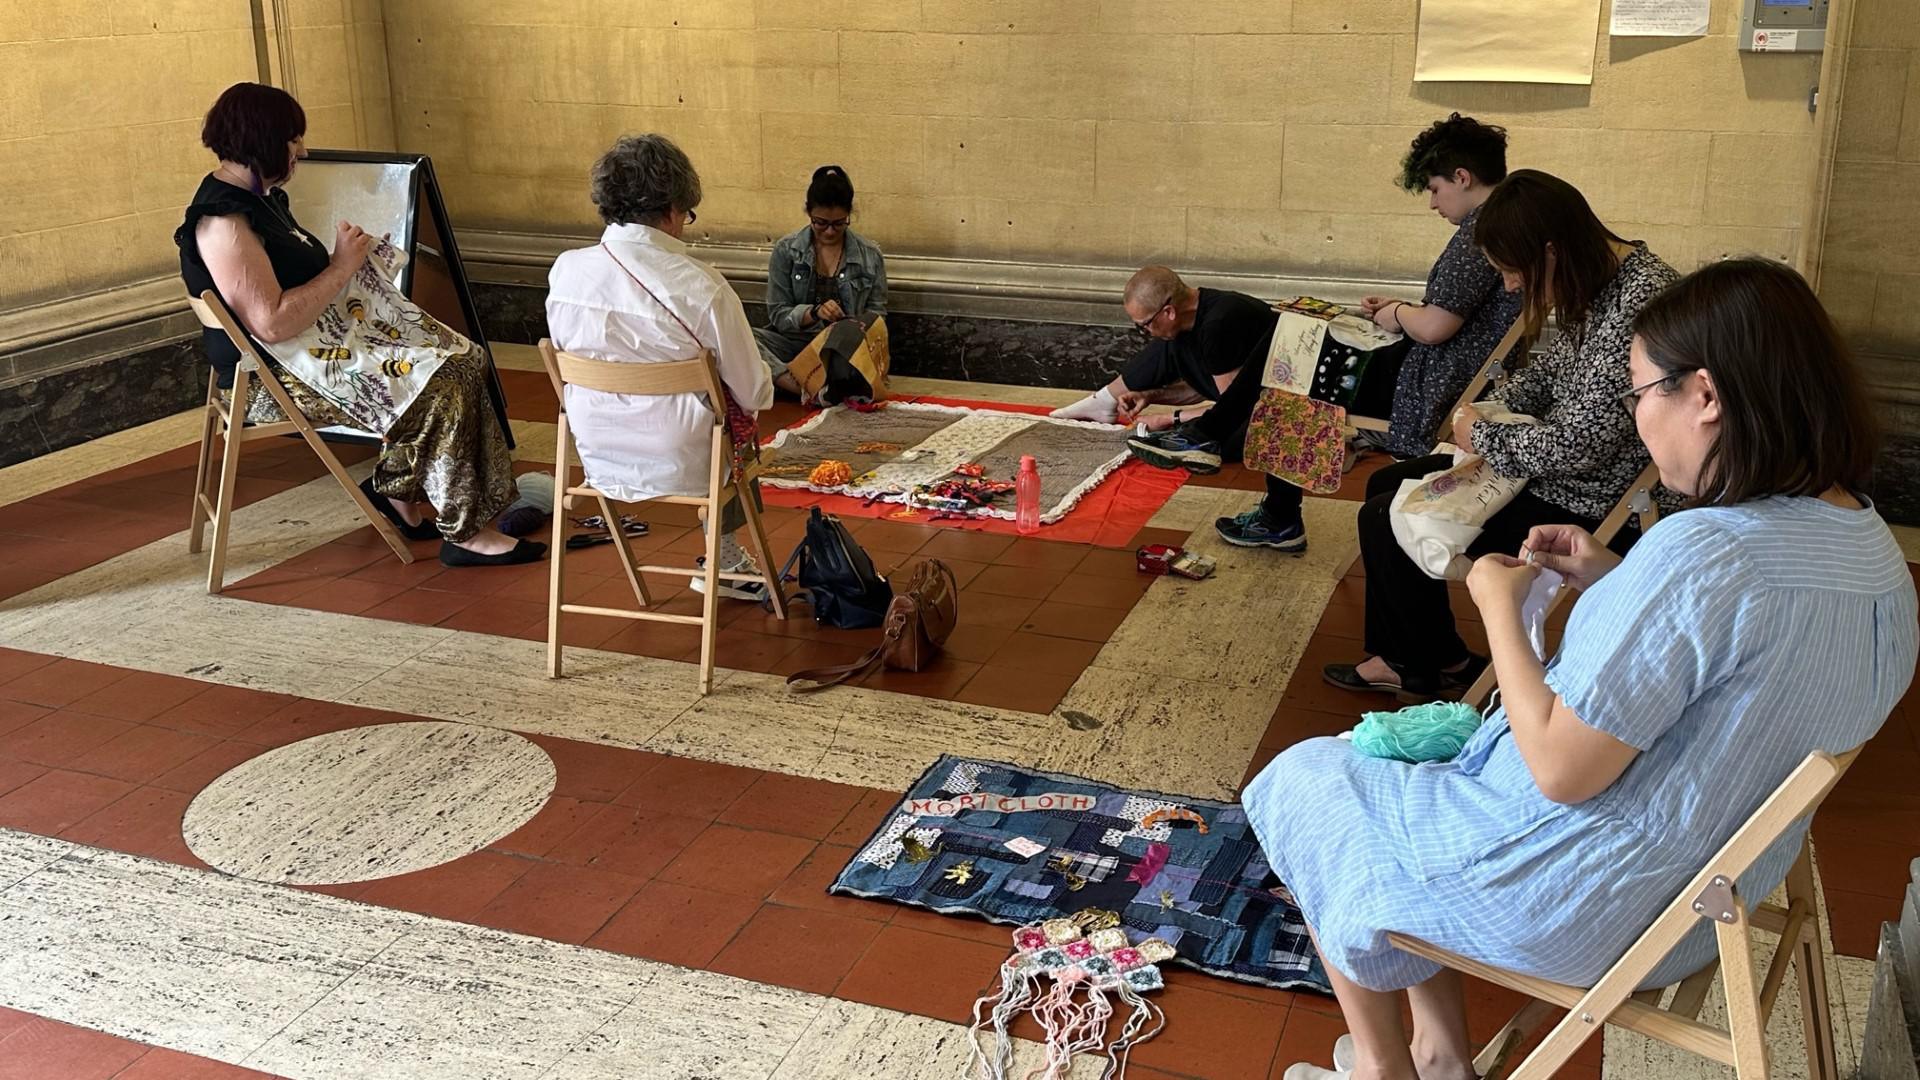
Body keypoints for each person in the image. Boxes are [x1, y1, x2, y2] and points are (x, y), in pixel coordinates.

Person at [1256, 257, 1918, 1080]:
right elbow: (1740, 663)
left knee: (1313, 778)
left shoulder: (1707, 551)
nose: (1638, 419)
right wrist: (1618, 580)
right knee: (1398, 771)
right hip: (1707, 896)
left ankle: (1392, 1070)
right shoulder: (1869, 546)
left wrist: (1495, 606)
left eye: (1642, 394)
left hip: (1587, 897)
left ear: (1705, 395)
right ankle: (1440, 1056)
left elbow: (1563, 771)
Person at [1323, 170, 1679, 700]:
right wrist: (1496, 406)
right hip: (1556, 469)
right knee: (1385, 487)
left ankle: (1414, 662)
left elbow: (1577, 447)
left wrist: (1482, 436)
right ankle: (1430, 656)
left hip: (1595, 500)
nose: (1511, 286)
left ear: (1551, 252)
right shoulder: (1605, 280)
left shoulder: (1640, 303)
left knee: (1385, 515)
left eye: (1513, 272)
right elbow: (1556, 370)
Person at [176, 82, 538, 567]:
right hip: (272, 379)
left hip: (314, 352)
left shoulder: (262, 199)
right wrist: (343, 267)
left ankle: (399, 494)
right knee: (443, 381)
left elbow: (299, 285)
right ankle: (466, 532)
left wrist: (358, 263)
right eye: (293, 140)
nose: (301, 151)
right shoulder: (224, 222)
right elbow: (272, 323)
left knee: (465, 356)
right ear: (263, 141)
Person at [545, 133, 775, 600]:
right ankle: (724, 557)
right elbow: (754, 394)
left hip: (597, 453)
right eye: (687, 215)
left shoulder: (565, 271)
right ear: (672, 209)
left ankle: (721, 559)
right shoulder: (700, 285)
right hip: (685, 460)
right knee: (736, 429)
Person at [1358, 114, 1521, 460]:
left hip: (1442, 384)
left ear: (1462, 177)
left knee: (1296, 363)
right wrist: (1401, 309)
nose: (1433, 203)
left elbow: (1434, 329)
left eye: (1435, 189)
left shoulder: (1481, 234)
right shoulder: (1505, 220)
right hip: (1463, 370)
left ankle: (1278, 508)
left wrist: (1399, 313)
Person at [1047, 267, 1275, 436]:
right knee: (1171, 338)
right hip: (1246, 398)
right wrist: (1150, 396)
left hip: (1271, 414)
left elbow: (1234, 411)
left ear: (1169, 311)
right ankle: (1105, 399)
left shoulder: (1219, 326)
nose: (1144, 332)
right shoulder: (1195, 312)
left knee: (1196, 440)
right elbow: (1204, 388)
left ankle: (1104, 400)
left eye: (1144, 324)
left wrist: (1168, 419)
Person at [754, 165, 888, 398]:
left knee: (851, 358)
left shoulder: (869, 254)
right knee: (744, 340)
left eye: (838, 223)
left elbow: (877, 317)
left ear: (849, 216)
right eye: (820, 223)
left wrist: (849, 325)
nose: (829, 231)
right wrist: (814, 313)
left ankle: (821, 385)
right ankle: (803, 387)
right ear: (809, 214)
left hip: (843, 349)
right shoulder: (787, 250)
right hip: (795, 344)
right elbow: (777, 314)